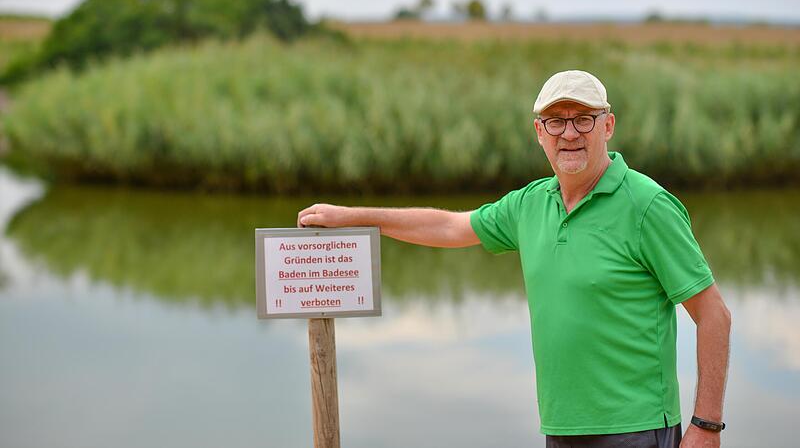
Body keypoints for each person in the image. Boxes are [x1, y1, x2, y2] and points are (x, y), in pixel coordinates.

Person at [297, 70, 731, 448]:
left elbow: (713, 315)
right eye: (556, 122)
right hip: (562, 427)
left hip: (637, 431)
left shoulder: (648, 205)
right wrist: (353, 217)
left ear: (608, 125)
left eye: (583, 119)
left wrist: (706, 426)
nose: (570, 133)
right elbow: (450, 227)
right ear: (539, 132)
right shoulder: (530, 204)